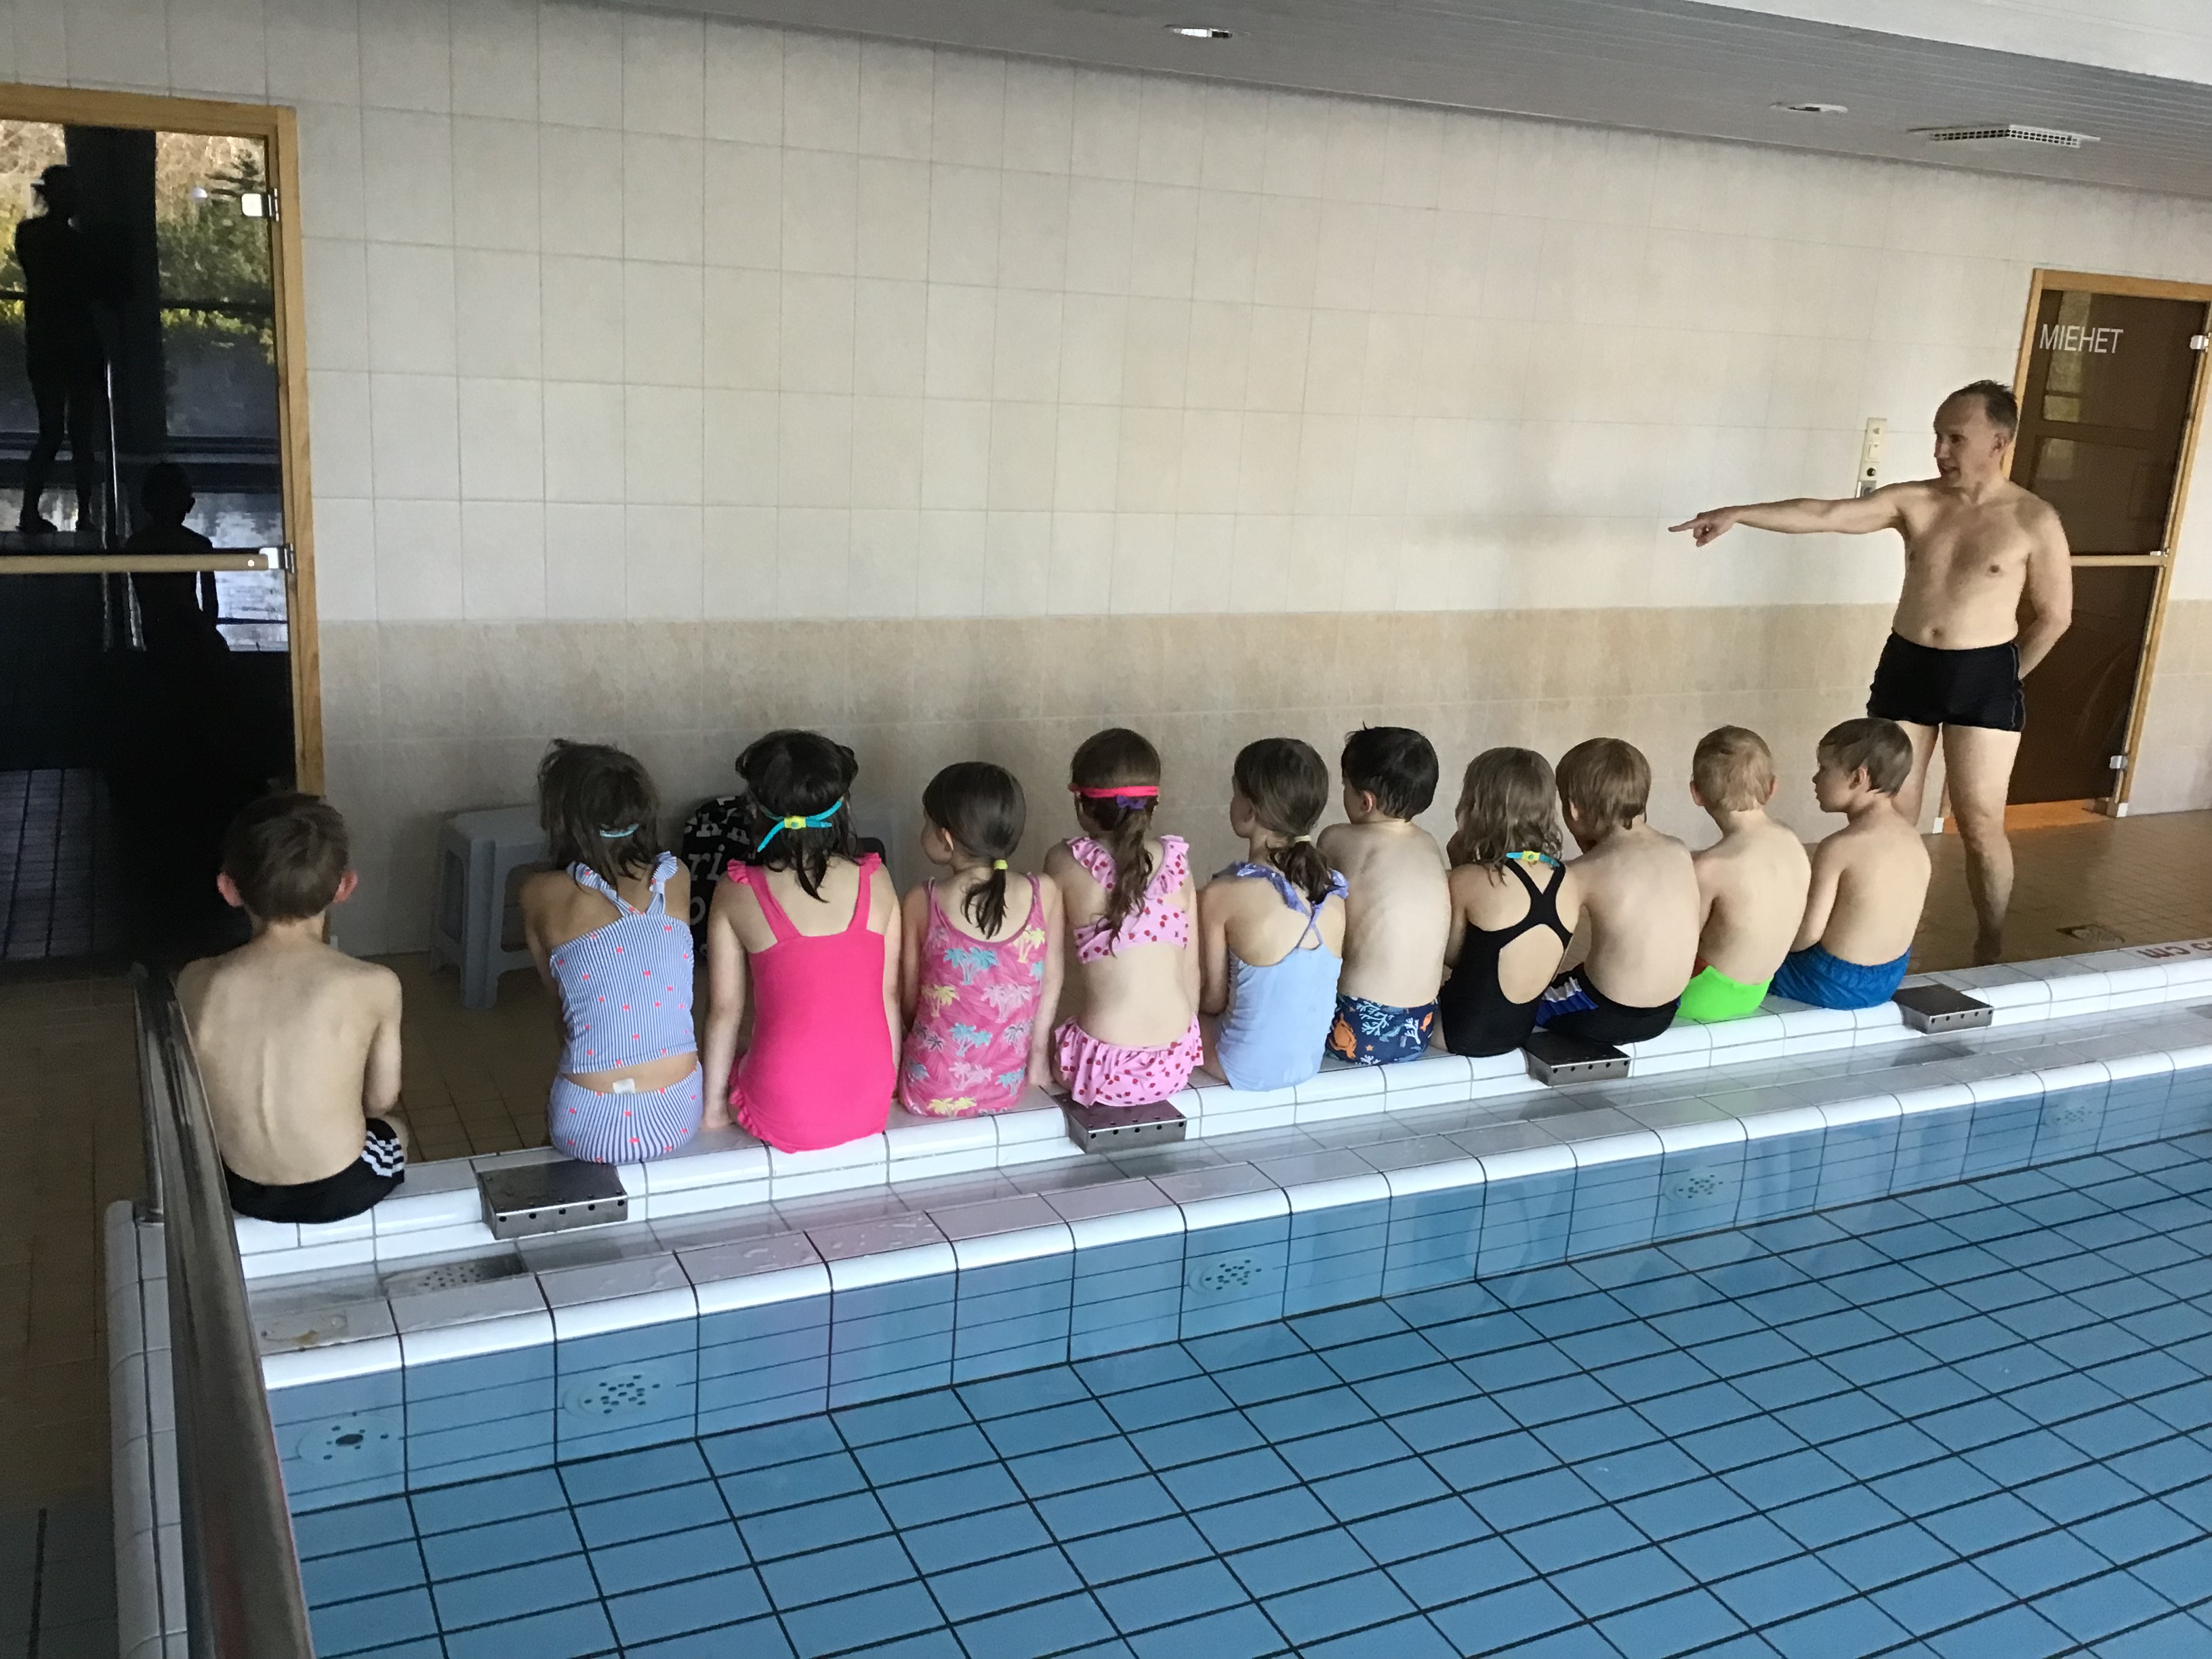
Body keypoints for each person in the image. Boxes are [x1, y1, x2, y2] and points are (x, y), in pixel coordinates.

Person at [1670, 381, 2072, 964]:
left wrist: (2008, 678)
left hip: (1985, 673)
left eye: (1955, 438)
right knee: (1889, 816)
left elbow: (2056, 617)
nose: (1939, 450)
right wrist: (1740, 514)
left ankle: (1991, 940)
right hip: (1910, 667)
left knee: (1981, 822)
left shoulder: (2034, 519)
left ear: (1998, 441)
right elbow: (1827, 514)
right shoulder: (1916, 503)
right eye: (1937, 436)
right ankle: (1882, 944)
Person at [177, 792, 407, 1225]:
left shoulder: (195, 981)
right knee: (394, 1130)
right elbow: (380, 1099)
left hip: (238, 1185)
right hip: (338, 1189)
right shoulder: (375, 984)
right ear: (345, 887)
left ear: (228, 889)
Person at [701, 730, 900, 1152]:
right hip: (871, 1099)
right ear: (844, 807)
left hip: (784, 1109)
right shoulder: (877, 878)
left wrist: (713, 1110)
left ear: (754, 810)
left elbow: (724, 1010)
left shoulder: (737, 890)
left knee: (749, 1040)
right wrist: (890, 1088)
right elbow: (888, 996)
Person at [519, 741, 701, 1163]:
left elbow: (560, 1007)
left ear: (560, 819)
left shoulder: (540, 893)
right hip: (678, 1113)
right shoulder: (675, 877)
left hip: (588, 1120)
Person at [1044, 727, 1202, 1107]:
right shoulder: (1178, 862)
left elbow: (1047, 971)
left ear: (1081, 804)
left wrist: (1036, 1057)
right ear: (1152, 804)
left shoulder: (1065, 861)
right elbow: (1191, 971)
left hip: (1099, 1069)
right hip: (1175, 1065)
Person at [898, 761, 1065, 1119]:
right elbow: (1049, 982)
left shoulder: (923, 900)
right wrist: (1037, 1057)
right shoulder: (1044, 892)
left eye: (926, 822)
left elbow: (910, 1001)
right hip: (1006, 1088)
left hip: (929, 1089)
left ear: (946, 838)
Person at [1197, 738, 1347, 1091]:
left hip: (1241, 1068)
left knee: (1175, 1013)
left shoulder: (1222, 894)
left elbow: (1213, 1001)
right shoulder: (1333, 892)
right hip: (1308, 1064)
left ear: (1249, 811)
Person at [1536, 738, 1700, 1046]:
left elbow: (1547, 954)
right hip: (1666, 1011)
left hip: (1605, 1012)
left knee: (1523, 1002)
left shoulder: (1583, 872)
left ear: (1573, 809)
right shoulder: (1678, 851)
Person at [1773, 718, 1933, 1010]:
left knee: (1744, 962)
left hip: (1832, 981)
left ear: (1858, 778)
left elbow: (1807, 936)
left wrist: (1771, 950)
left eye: (1823, 769)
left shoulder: (1840, 847)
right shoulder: (1914, 839)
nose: (1815, 779)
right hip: (1888, 978)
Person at [1437, 747, 1582, 1057]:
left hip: (1458, 1031)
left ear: (1476, 808)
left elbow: (1450, 957)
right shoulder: (1566, 880)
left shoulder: (1469, 880)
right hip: (1518, 1030)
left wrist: (1461, 866)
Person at [1319, 726, 1450, 1065]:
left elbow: (1313, 916)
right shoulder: (1429, 843)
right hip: (1419, 1025)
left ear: (1366, 801)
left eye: (1345, 786)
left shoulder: (1337, 840)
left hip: (1356, 1026)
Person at [1680, 726, 1811, 1024]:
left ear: (1696, 794)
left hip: (1702, 995)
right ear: (1773, 787)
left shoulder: (1710, 867)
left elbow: (1683, 946)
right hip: (1756, 991)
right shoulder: (1791, 841)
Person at [15, 165, 110, 537]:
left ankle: (29, 511)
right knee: (81, 434)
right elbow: (96, 287)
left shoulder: (29, 235)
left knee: (50, 431)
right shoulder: (78, 245)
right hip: (78, 342)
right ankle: (85, 514)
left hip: (44, 340)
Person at [125, 462, 228, 664]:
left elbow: (143, 597)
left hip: (157, 633)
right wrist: (207, 632)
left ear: (146, 502)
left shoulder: (136, 544)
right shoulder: (197, 544)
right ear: (188, 504)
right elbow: (211, 604)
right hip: (195, 633)